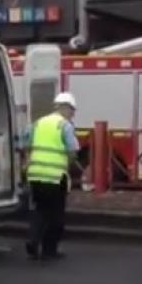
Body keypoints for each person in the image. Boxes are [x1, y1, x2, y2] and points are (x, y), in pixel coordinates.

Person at [25, 92, 80, 261]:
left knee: (40, 209)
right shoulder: (65, 125)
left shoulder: (38, 123)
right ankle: (50, 249)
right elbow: (73, 150)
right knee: (56, 214)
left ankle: (33, 241)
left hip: (35, 174)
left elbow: (25, 144)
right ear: (65, 108)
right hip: (56, 176)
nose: (73, 114)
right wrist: (69, 164)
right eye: (72, 110)